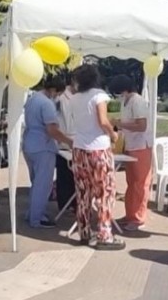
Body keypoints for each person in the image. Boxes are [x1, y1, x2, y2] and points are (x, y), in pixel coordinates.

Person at [70, 65, 124, 250]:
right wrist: (113, 134)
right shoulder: (99, 95)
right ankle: (104, 234)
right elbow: (102, 121)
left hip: (79, 149)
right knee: (105, 193)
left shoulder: (74, 98)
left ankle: (84, 231)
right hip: (98, 149)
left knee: (83, 193)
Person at [22, 78, 72, 229]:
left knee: (36, 182)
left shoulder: (33, 99)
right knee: (43, 186)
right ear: (54, 90)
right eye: (58, 93)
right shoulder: (47, 104)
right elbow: (52, 130)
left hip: (29, 145)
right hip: (43, 147)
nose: (57, 97)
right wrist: (69, 141)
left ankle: (32, 213)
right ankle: (36, 219)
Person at [109, 75, 151, 231]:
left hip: (141, 146)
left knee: (140, 183)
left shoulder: (137, 101)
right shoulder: (125, 102)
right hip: (131, 145)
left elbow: (141, 125)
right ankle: (130, 214)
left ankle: (138, 218)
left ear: (125, 90)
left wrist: (120, 123)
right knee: (131, 183)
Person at [55, 78, 77, 213]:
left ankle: (75, 204)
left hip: (76, 142)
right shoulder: (62, 99)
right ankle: (64, 205)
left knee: (75, 177)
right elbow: (63, 122)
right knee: (64, 176)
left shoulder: (78, 98)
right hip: (65, 142)